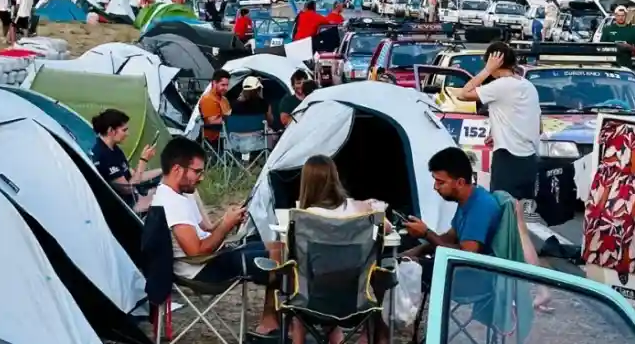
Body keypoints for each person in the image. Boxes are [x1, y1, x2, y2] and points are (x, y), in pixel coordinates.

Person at [151, 137, 282, 337]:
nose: (201, 177)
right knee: (278, 257)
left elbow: (205, 235)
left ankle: (273, 319)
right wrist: (226, 224)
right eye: (197, 171)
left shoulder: (176, 195)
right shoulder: (172, 203)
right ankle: (272, 320)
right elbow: (196, 251)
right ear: (177, 169)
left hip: (208, 260)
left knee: (277, 247)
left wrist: (227, 221)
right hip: (202, 271)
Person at [289, 155, 391, 344]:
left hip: (312, 301)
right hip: (354, 300)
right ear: (335, 178)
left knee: (299, 283)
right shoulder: (359, 210)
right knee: (339, 272)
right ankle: (345, 334)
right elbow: (387, 227)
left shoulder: (304, 218)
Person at [455, 42, 540, 205]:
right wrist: (499, 133)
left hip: (508, 158)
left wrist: (487, 70)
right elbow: (537, 124)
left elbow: (463, 94)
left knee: (502, 210)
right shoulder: (528, 86)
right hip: (529, 158)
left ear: (495, 62)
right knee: (520, 214)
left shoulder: (500, 85)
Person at [402, 147, 503, 282]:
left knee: (403, 271)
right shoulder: (468, 198)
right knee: (403, 262)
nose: (435, 187)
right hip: (463, 268)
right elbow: (450, 237)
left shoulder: (481, 206)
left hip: (475, 278)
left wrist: (426, 234)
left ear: (460, 182)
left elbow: (465, 257)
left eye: (441, 182)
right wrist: (419, 249)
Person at [92, 109, 159, 210]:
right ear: (111, 131)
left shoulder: (114, 149)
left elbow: (134, 175)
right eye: (124, 130)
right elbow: (128, 188)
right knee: (166, 200)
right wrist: (143, 160)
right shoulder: (103, 156)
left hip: (134, 197)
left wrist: (165, 170)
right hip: (125, 207)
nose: (127, 134)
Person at [199, 69, 231, 146]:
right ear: (214, 83)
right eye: (223, 85)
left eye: (227, 85)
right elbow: (212, 122)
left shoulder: (224, 99)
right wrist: (230, 116)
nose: (226, 88)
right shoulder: (208, 99)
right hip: (215, 139)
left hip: (228, 135)